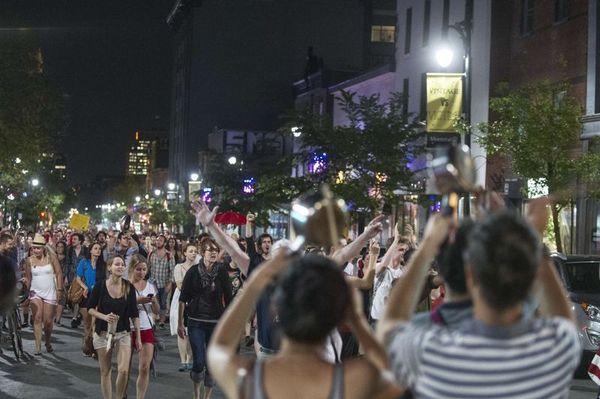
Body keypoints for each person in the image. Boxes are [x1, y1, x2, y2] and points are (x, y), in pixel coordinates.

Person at [379, 200, 580, 398]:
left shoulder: (433, 350)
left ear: (471, 274)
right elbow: (564, 320)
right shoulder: (554, 348)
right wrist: (530, 239)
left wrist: (428, 245)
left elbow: (388, 327)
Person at [208, 251, 394, 399]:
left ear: (276, 309)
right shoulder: (350, 381)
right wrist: (356, 318)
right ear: (338, 317)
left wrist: (256, 281)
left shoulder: (250, 380)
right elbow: (386, 366)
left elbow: (219, 348)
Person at [178, 237, 233, 399]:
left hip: (216, 322)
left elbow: (229, 299)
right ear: (203, 253)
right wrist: (180, 323)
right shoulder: (193, 272)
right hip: (196, 321)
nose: (214, 253)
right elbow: (183, 298)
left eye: (216, 251)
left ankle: (207, 396)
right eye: (210, 250)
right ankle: (196, 395)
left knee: (211, 364)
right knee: (199, 361)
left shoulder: (222, 272)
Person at [87, 255, 141, 399]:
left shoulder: (128, 287)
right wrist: (104, 316)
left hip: (123, 333)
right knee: (105, 371)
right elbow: (90, 308)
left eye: (122, 264)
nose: (120, 267)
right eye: (117, 264)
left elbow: (135, 314)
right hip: (103, 333)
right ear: (109, 267)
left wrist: (138, 338)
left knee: (123, 371)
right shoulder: (100, 286)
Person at [23, 233, 64, 354]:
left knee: (47, 321)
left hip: (50, 292)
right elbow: (28, 278)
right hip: (35, 292)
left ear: (44, 248)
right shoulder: (29, 260)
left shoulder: (52, 257)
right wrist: (25, 293)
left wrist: (60, 289)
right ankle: (38, 346)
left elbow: (59, 273)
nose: (36, 250)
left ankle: (47, 341)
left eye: (38, 248)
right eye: (34, 248)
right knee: (37, 318)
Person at [129, 254, 159, 399]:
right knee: (124, 369)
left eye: (144, 269)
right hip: (128, 328)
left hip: (146, 327)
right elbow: (119, 306)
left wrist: (153, 302)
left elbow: (157, 311)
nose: (141, 272)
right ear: (132, 269)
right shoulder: (125, 285)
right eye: (138, 269)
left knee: (144, 367)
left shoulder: (150, 286)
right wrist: (136, 301)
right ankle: (122, 394)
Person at [75, 242, 107, 353]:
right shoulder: (84, 263)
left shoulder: (103, 265)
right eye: (96, 248)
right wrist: (85, 287)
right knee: (87, 323)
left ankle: (95, 347)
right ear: (91, 250)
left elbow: (106, 281)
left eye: (99, 249)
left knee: (96, 323)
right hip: (86, 295)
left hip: (99, 296)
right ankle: (87, 344)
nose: (98, 250)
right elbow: (78, 278)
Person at [171, 243, 196, 372]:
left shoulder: (199, 267)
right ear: (184, 253)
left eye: (195, 251)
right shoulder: (178, 267)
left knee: (192, 331)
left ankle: (189, 359)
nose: (193, 253)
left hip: (195, 301)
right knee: (181, 331)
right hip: (181, 300)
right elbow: (180, 284)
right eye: (191, 251)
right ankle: (182, 360)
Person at [147, 234, 175, 329]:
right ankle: (153, 321)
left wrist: (170, 283)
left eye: (161, 240)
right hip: (152, 282)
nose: (158, 242)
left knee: (163, 302)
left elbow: (172, 271)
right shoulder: (151, 253)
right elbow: (147, 267)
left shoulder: (169, 255)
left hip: (164, 282)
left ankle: (162, 322)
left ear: (164, 243)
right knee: (153, 302)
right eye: (157, 240)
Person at [68, 232, 89, 328]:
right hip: (72, 276)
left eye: (75, 239)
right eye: (72, 239)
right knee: (72, 298)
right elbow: (67, 263)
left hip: (83, 277)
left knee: (79, 297)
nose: (73, 241)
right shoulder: (69, 250)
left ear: (80, 241)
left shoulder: (86, 250)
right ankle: (78, 314)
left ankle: (75, 317)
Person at [53, 240, 68, 325]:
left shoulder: (67, 258)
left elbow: (68, 269)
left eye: (61, 247)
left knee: (61, 300)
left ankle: (58, 319)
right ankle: (53, 316)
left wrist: (66, 279)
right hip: (52, 279)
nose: (59, 248)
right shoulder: (52, 257)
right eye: (58, 246)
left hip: (63, 279)